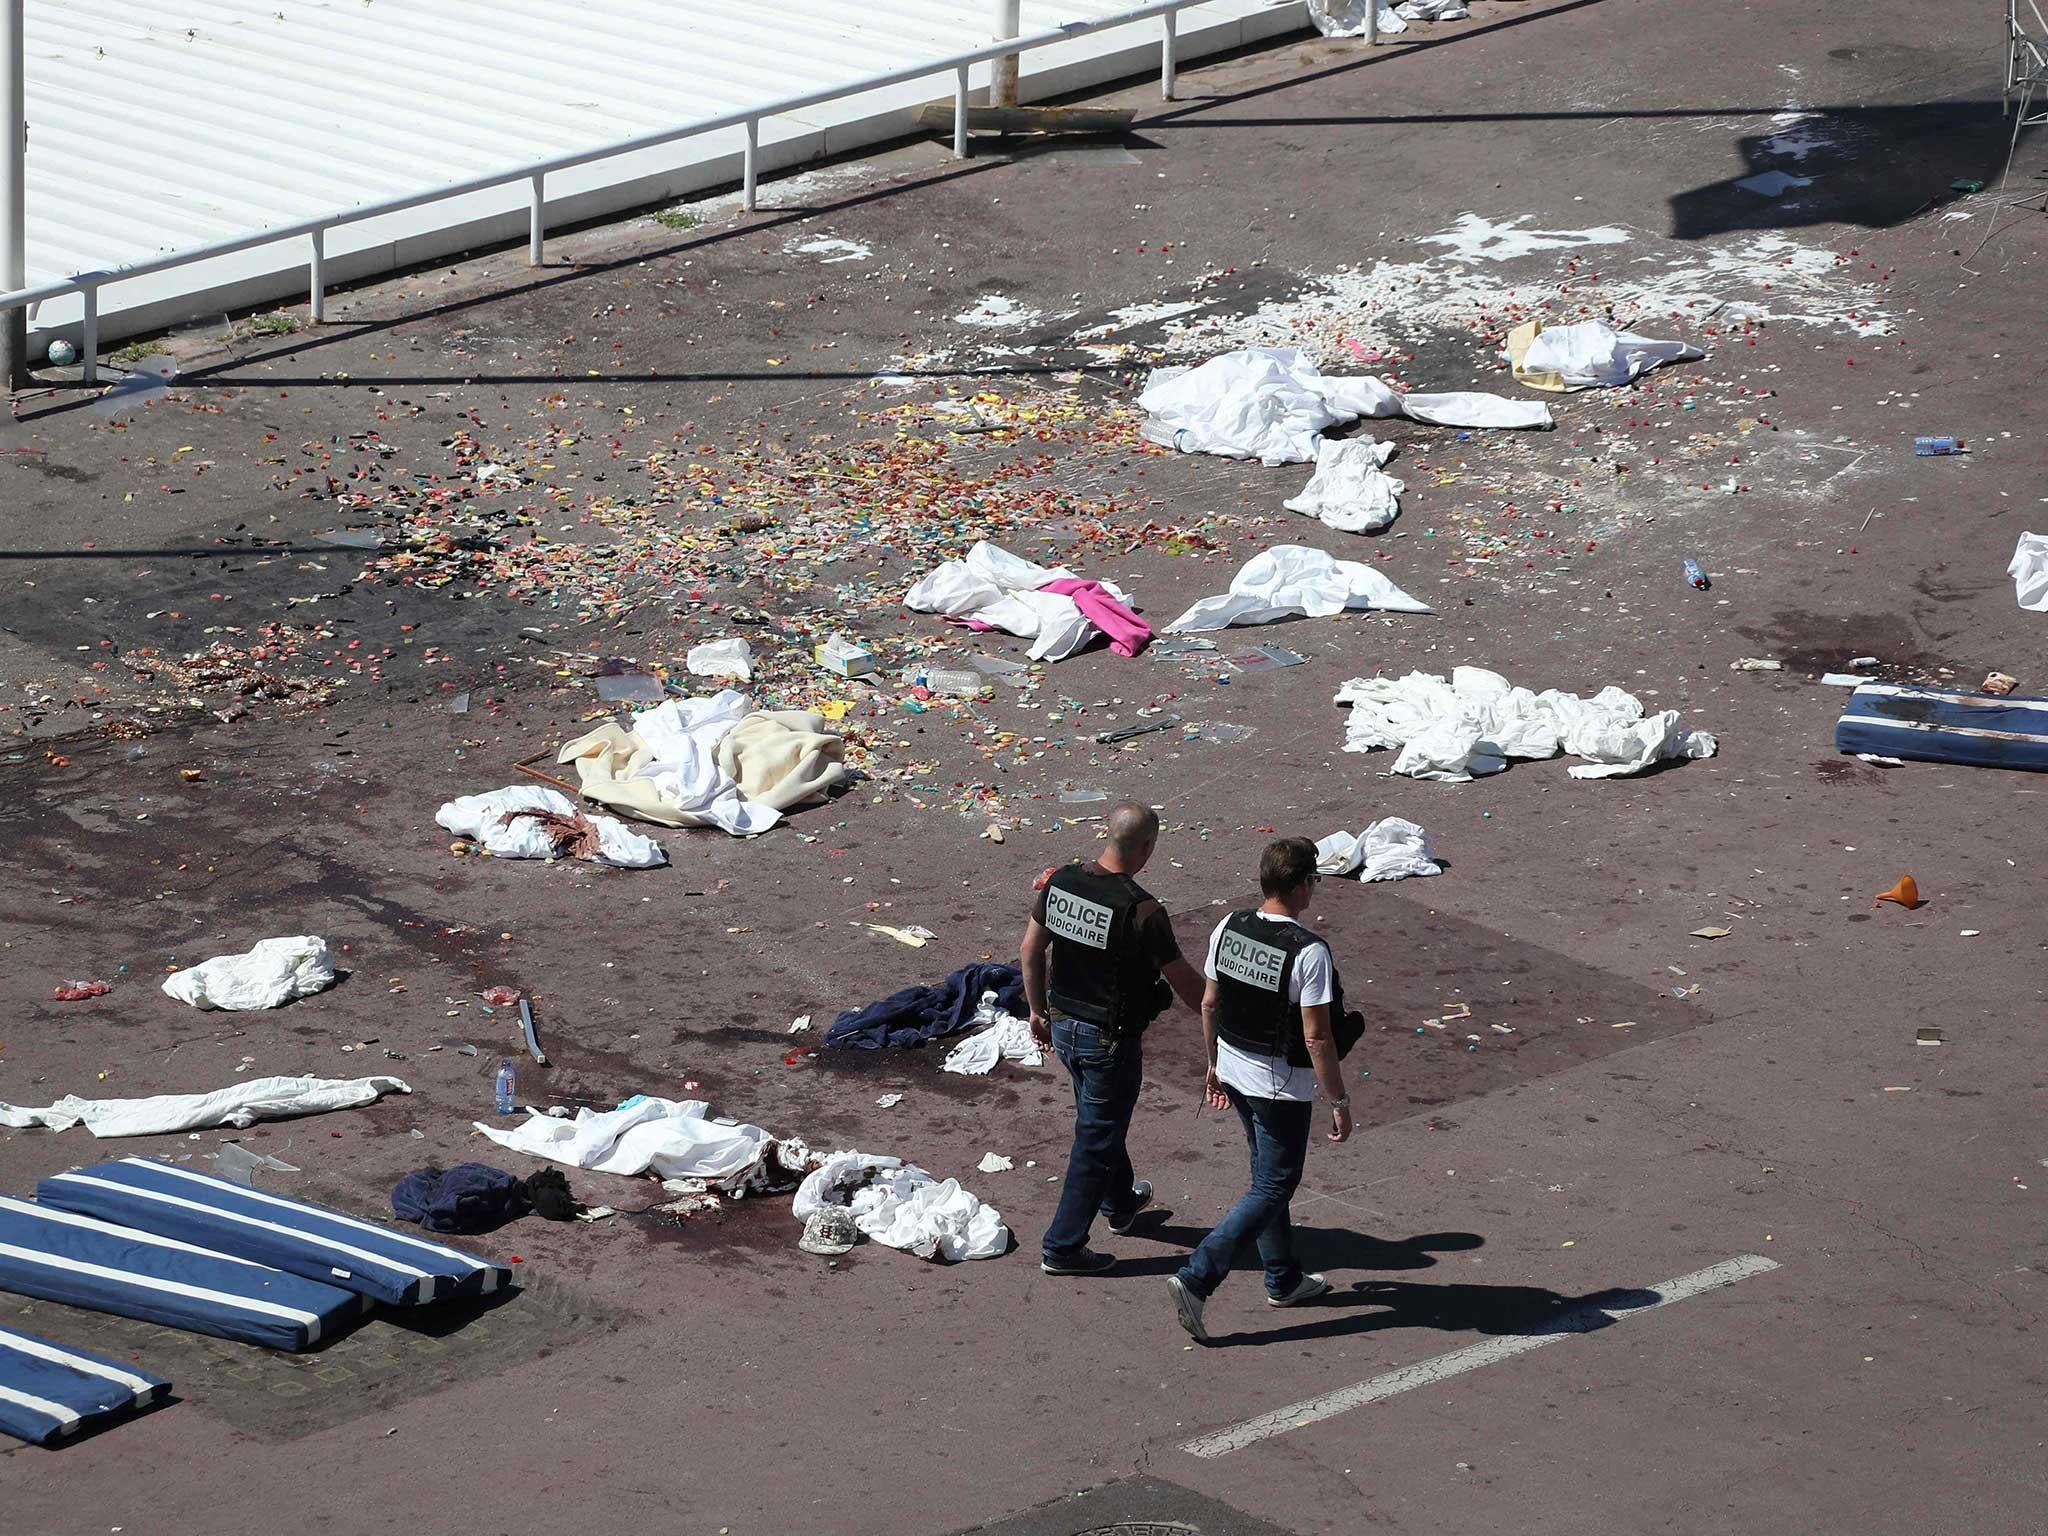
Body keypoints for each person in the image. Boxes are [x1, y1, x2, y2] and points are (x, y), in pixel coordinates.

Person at [1168, 836, 1357, 1342]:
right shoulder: (1309, 951)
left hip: (1233, 1065)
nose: (1315, 887)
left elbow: (1210, 1004)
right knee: (1274, 1184)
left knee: (1266, 1178)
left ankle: (1283, 1278)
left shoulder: (1229, 926)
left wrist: (1212, 1064)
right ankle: (1198, 1277)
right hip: (1279, 1085)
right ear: (1300, 886)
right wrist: (1338, 1100)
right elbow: (1317, 1036)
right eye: (1315, 879)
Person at [1021, 802, 1205, 1276]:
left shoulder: (1061, 880)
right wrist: (1227, 1015)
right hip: (1108, 1038)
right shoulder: (1143, 911)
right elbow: (1186, 984)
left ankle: (1120, 1201)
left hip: (1063, 1026)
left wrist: (1037, 1011)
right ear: (1147, 847)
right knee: (1096, 1137)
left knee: (1098, 1119)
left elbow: (1031, 949)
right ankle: (1062, 1247)